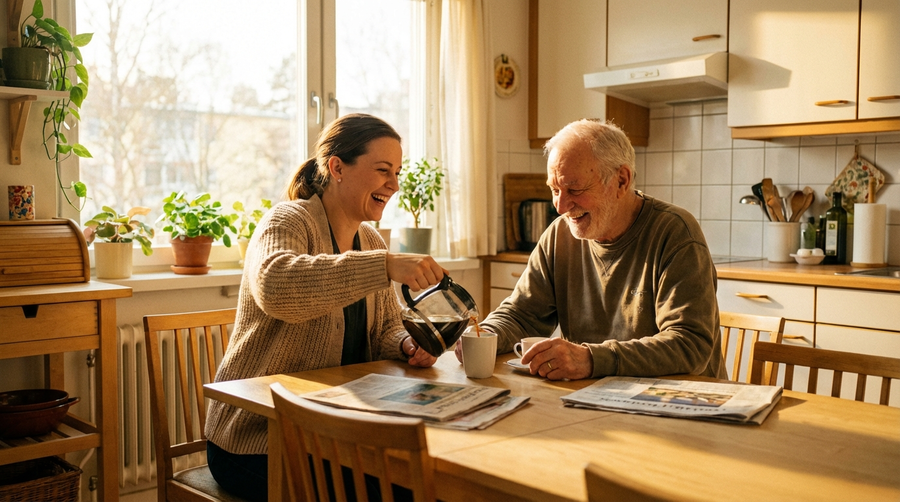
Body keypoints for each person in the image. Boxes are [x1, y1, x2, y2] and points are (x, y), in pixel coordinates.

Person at [205, 113, 446, 501]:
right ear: (337, 167)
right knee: (398, 488)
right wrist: (383, 266)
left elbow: (385, 328)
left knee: (419, 481)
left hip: (330, 432)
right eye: (383, 169)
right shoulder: (288, 220)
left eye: (397, 172)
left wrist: (405, 344)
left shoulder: (370, 240)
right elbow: (278, 287)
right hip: (256, 440)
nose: (394, 184)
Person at [460, 119, 725, 382]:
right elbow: (521, 315)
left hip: (681, 404)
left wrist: (590, 359)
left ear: (621, 180)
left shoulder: (675, 233)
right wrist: (483, 334)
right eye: (554, 190)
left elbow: (690, 345)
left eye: (574, 189)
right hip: (591, 398)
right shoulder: (558, 236)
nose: (561, 206)